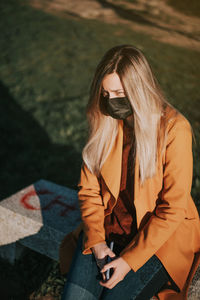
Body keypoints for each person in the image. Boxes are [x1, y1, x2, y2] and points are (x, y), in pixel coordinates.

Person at [59, 45, 200, 300]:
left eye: (119, 93)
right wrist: (98, 243)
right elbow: (89, 190)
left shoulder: (174, 129)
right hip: (107, 232)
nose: (111, 101)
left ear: (140, 89)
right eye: (105, 93)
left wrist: (128, 262)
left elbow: (173, 208)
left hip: (158, 241)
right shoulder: (105, 121)